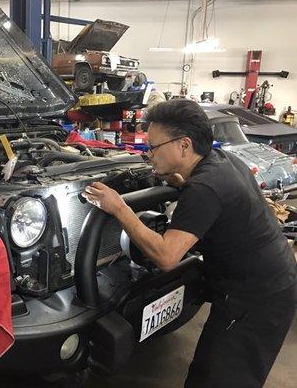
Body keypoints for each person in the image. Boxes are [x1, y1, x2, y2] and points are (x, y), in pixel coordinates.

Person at [83, 99, 296, 388]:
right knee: (208, 370)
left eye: (154, 146)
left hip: (256, 299)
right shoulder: (223, 162)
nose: (149, 154)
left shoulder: (205, 189)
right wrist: (182, 184)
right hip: (266, 282)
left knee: (221, 378)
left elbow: (167, 256)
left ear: (184, 145)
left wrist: (119, 207)